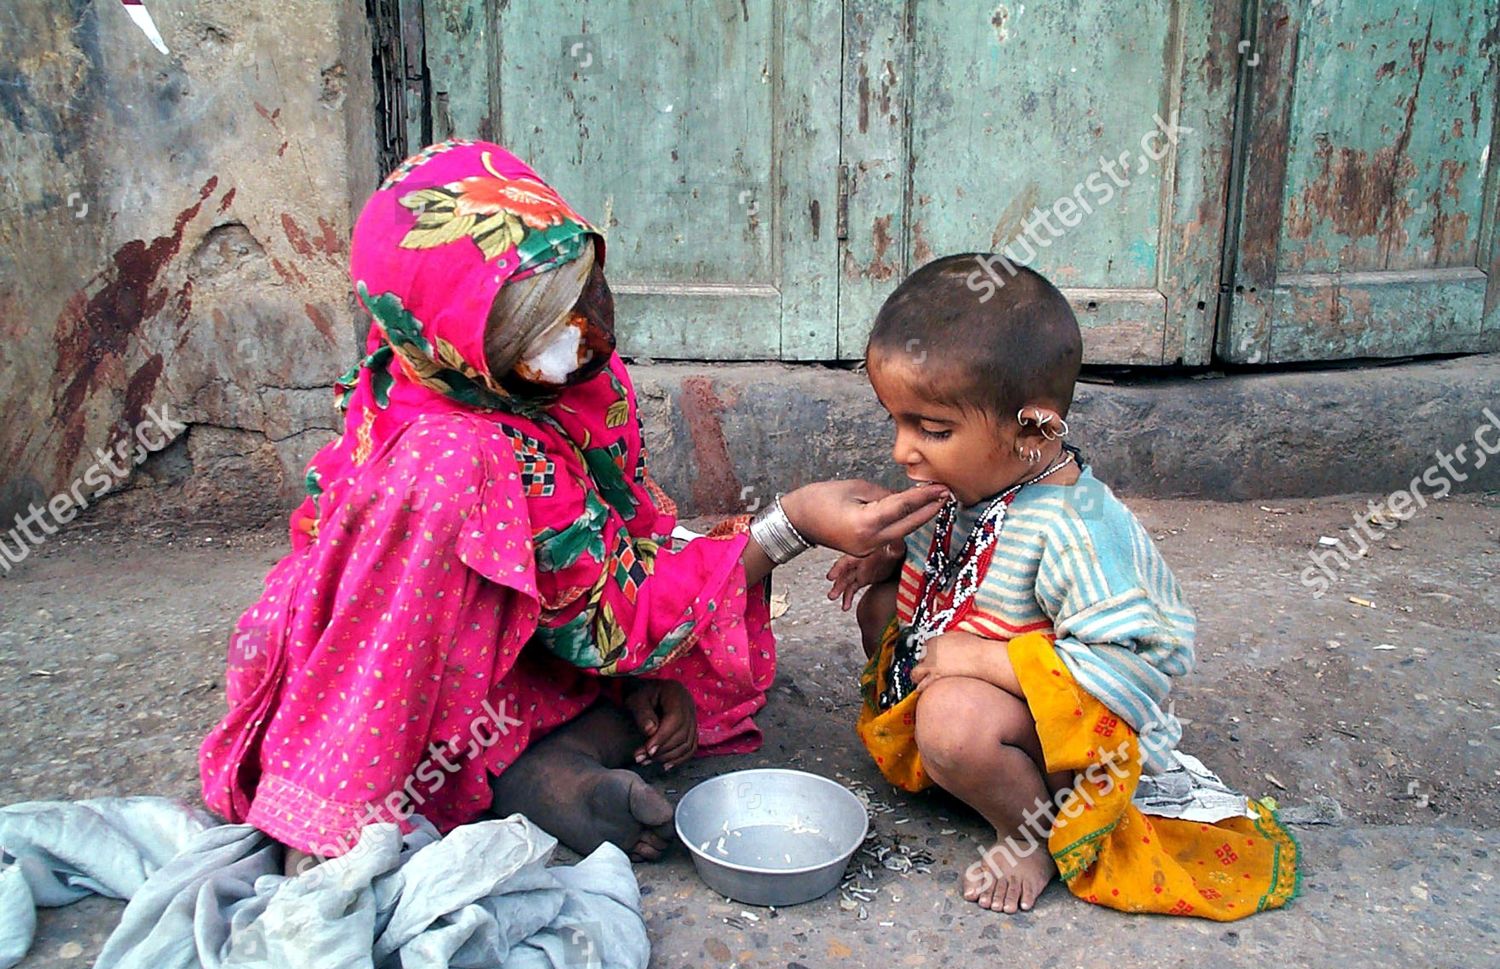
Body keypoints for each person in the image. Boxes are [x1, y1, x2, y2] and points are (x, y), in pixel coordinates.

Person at [198, 140, 949, 875]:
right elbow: (603, 616)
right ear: (457, 344)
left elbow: (620, 544)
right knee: (665, 623)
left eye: (587, 293)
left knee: (697, 664)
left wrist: (642, 676)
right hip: (395, 685)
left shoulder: (563, 373)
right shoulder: (444, 452)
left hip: (536, 634)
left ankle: (549, 765)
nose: (580, 342)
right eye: (533, 336)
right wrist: (791, 525)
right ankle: (349, 813)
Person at [827, 255, 1298, 919]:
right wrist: (889, 563)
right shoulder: (982, 483)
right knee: (881, 610)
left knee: (955, 722)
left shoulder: (1076, 531)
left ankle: (1032, 836)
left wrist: (983, 660)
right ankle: (973, 774)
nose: (905, 451)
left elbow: (1142, 662)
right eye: (897, 423)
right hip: (995, 694)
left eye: (934, 430)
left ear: (1035, 428)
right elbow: (962, 575)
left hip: (1073, 743)